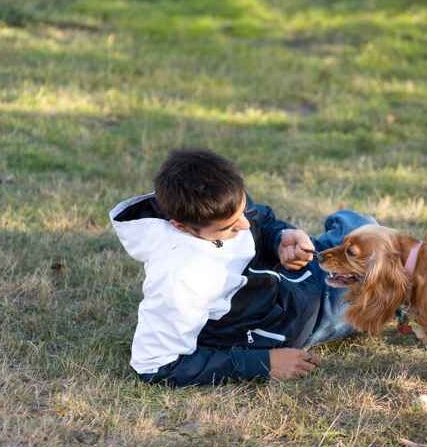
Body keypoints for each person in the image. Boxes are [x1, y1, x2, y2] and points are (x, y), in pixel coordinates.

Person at [109, 148, 374, 386]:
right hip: (294, 321)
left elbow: (261, 221)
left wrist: (281, 238)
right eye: (228, 228)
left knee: (356, 223)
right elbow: (155, 365)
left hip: (291, 278)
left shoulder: (219, 197)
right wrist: (264, 363)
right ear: (180, 226)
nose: (244, 226)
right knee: (380, 275)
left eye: (242, 210)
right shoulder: (180, 277)